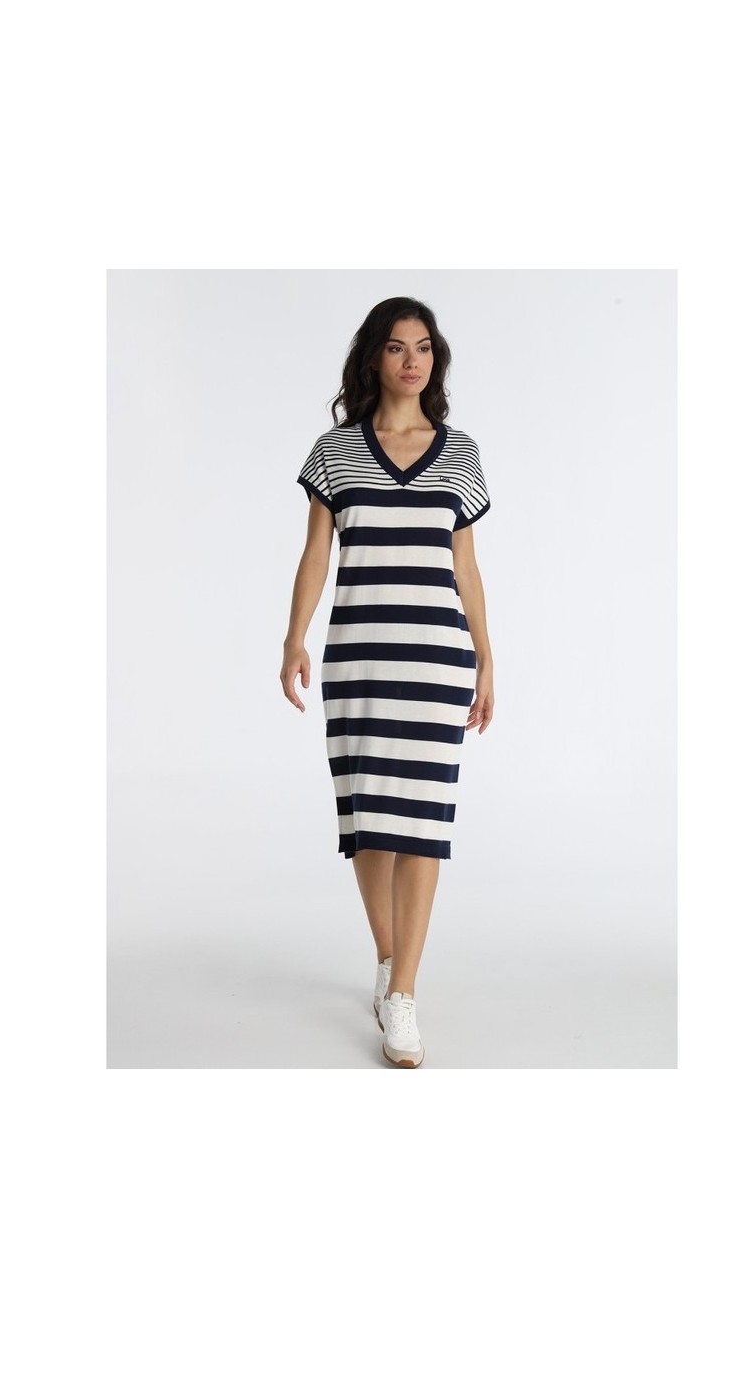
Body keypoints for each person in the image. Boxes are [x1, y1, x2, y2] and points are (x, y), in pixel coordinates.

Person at [280, 296, 494, 1068]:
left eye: (424, 347)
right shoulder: (335, 452)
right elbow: (317, 553)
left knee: (422, 825)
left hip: (435, 660)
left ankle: (403, 994)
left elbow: (465, 566)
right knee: (370, 823)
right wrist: (293, 637)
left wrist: (486, 658)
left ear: (436, 359)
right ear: (375, 356)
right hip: (360, 658)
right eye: (398, 346)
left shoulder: (461, 453)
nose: (413, 360)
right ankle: (387, 957)